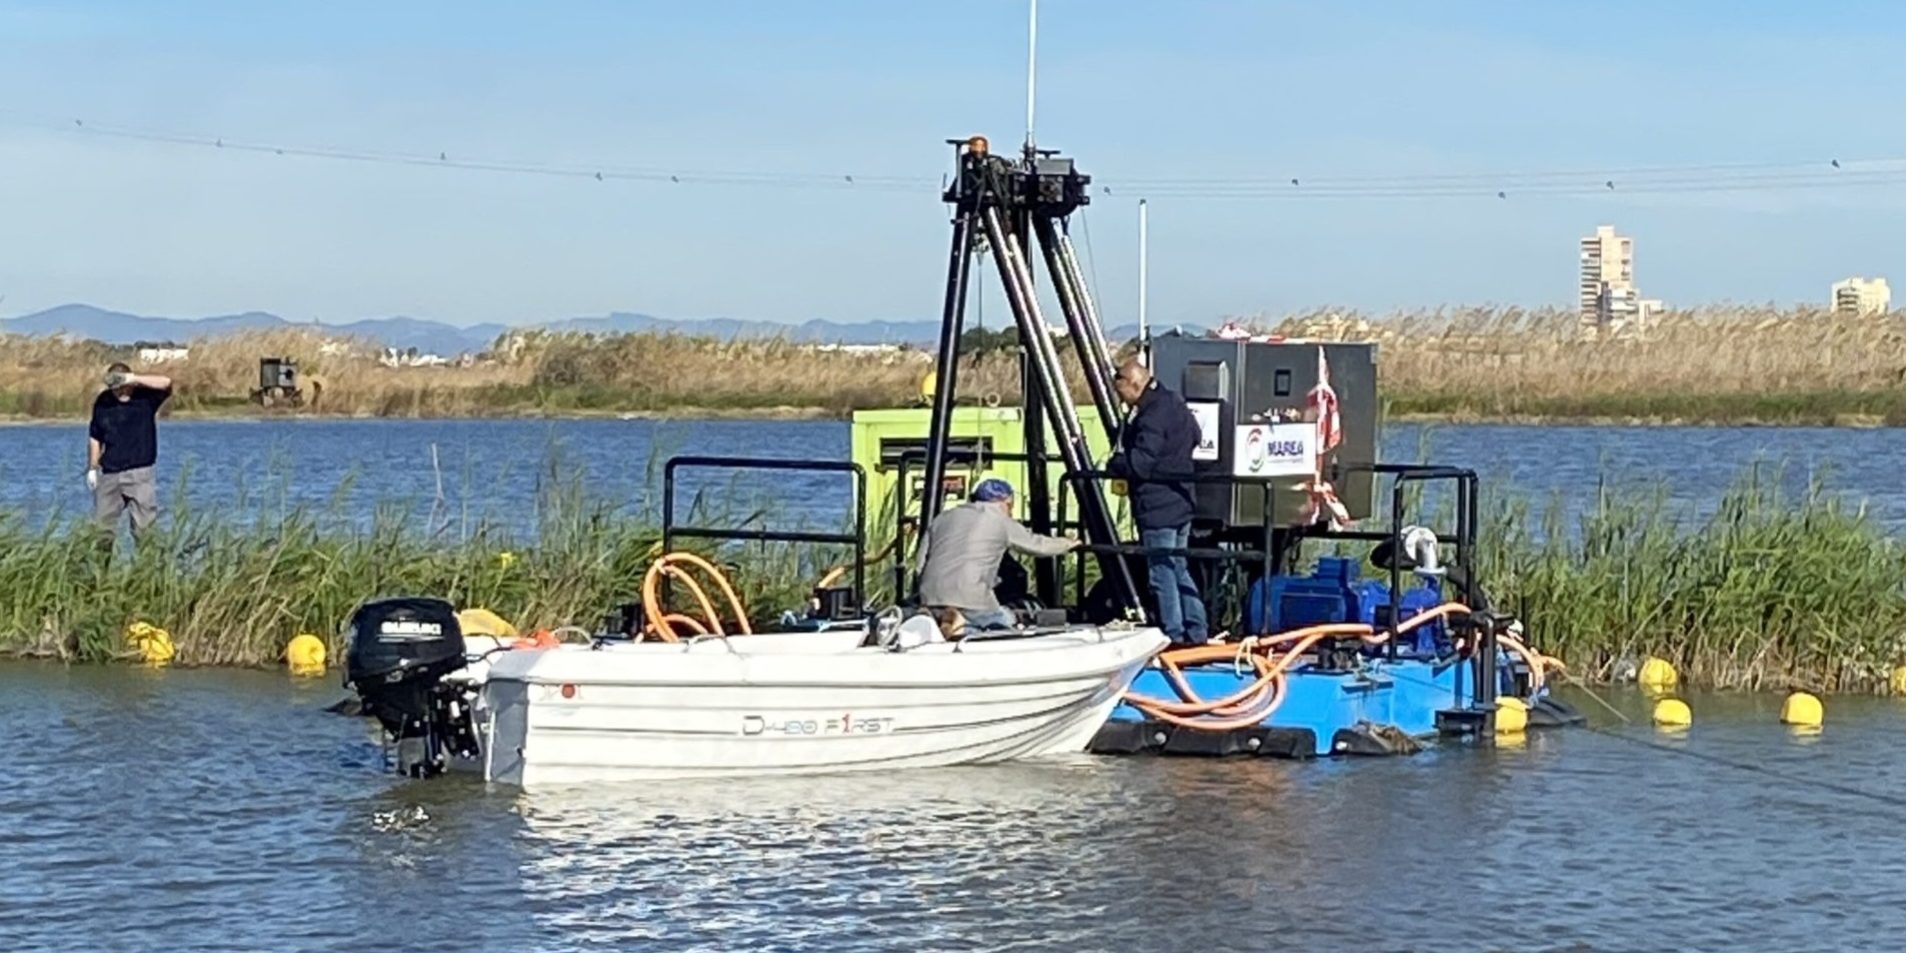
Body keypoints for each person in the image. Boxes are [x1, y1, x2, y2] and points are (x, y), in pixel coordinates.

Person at [1107, 359, 1209, 645]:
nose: (1120, 399)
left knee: (1161, 571)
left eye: (1121, 391)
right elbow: (1196, 436)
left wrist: (1117, 463)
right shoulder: (1173, 401)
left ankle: (1172, 632)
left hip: (1158, 505)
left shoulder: (1150, 416)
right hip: (1182, 500)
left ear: (1134, 384)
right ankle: (1197, 628)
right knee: (1178, 566)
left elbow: (1141, 463)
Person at [915, 478, 1079, 631]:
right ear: (1005, 503)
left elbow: (919, 565)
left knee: (954, 617)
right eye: (1011, 507)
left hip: (930, 598)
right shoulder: (999, 519)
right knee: (1008, 620)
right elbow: (1037, 545)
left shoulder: (942, 518)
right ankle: (963, 628)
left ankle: (946, 623)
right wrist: (1069, 544)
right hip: (972, 600)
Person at [87, 362, 173, 536]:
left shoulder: (146, 397)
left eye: (123, 386)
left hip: (140, 474)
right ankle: (101, 563)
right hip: (110, 474)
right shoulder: (103, 401)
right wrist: (92, 467)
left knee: (144, 531)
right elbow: (95, 436)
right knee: (102, 532)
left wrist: (134, 378)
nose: (120, 391)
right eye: (116, 388)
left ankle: (146, 563)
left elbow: (167, 382)